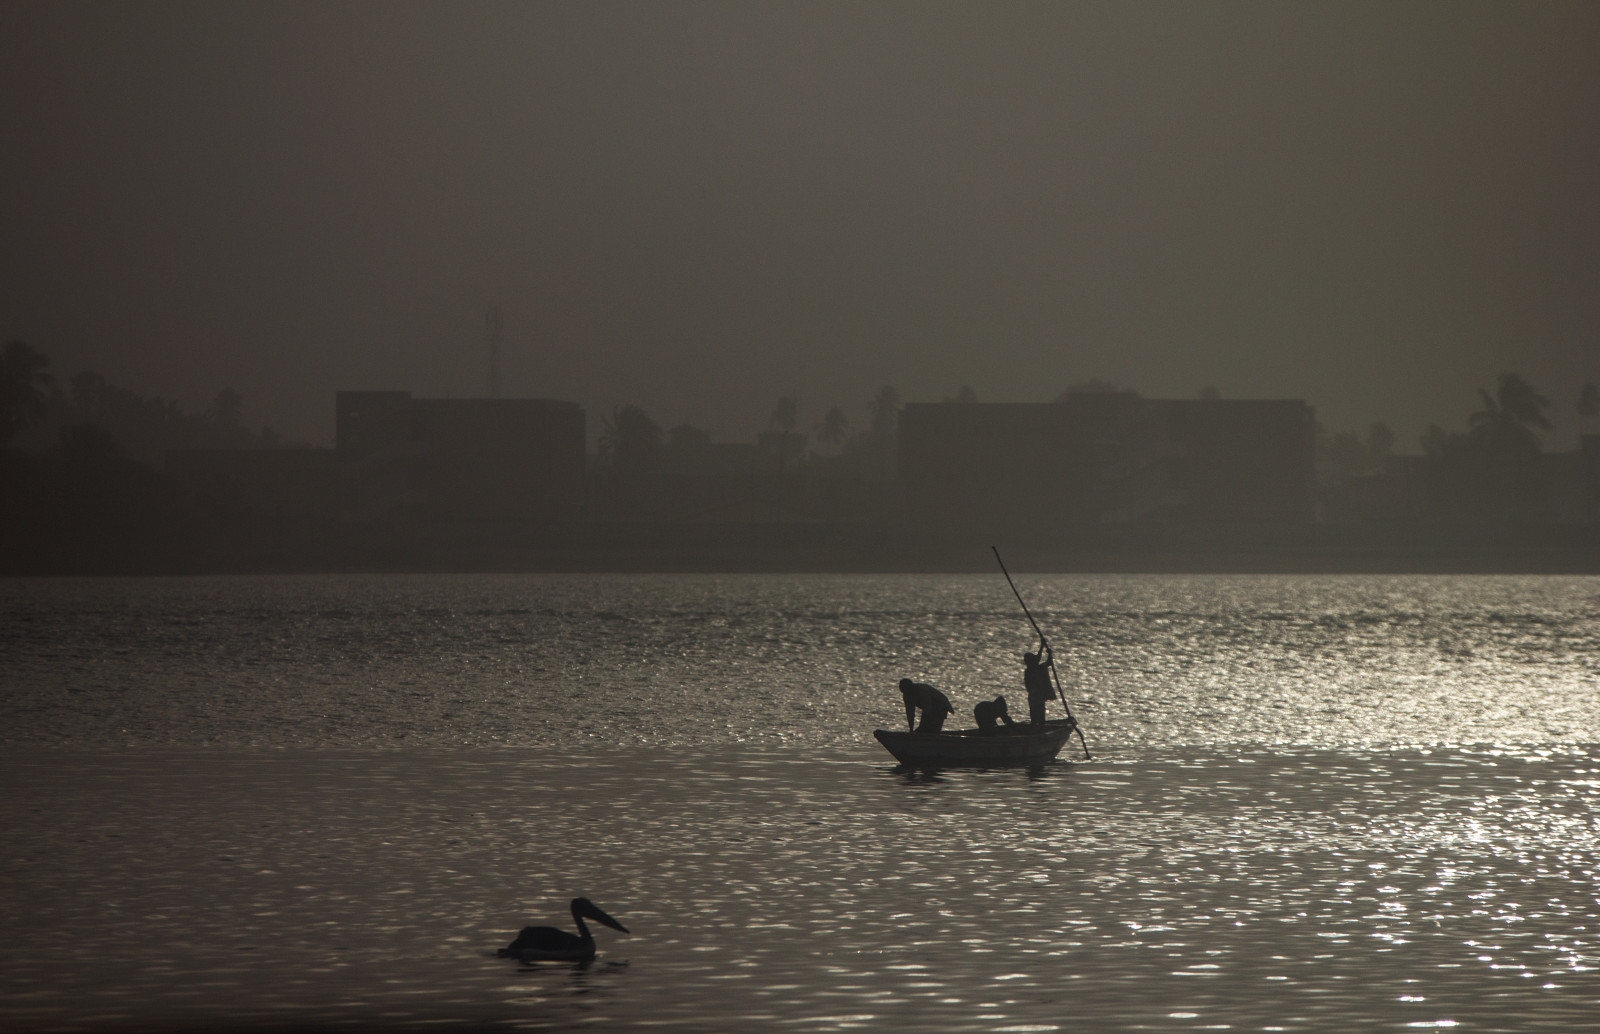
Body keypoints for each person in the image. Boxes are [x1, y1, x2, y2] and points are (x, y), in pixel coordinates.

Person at [1023, 641, 1056, 724]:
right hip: (1035, 698)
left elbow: (1048, 662)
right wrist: (1042, 647)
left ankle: (1039, 727)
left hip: (1039, 697)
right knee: (1035, 717)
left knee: (1040, 717)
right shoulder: (1030, 671)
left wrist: (1049, 654)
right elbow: (1038, 659)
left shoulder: (1039, 668)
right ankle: (1036, 728)